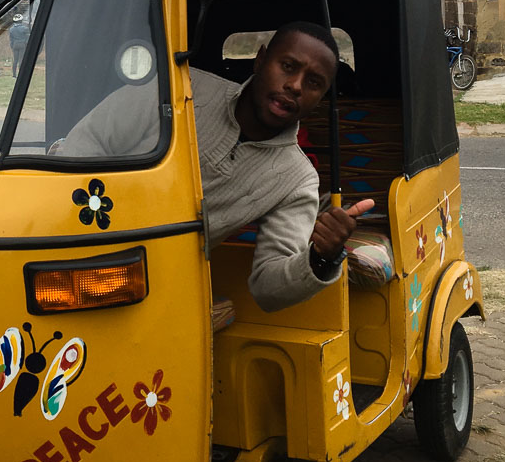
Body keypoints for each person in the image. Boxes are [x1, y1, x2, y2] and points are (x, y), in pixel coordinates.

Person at [60, 21, 371, 312]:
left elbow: (268, 288)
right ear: (261, 60)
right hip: (67, 237)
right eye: (288, 67)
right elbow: (84, 146)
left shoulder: (297, 180)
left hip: (152, 288)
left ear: (322, 97)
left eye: (314, 83)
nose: (295, 86)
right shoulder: (181, 89)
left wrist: (321, 258)